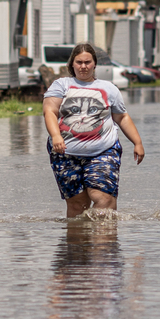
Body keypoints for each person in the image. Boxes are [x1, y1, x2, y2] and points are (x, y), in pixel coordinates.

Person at [43, 43, 145, 218]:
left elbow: (122, 117)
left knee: (103, 198)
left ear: (94, 64)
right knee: (77, 205)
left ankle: (103, 244)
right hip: (66, 152)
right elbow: (49, 111)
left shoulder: (109, 88)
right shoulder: (61, 85)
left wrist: (137, 142)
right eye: (79, 62)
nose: (83, 66)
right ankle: (78, 244)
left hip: (103, 150)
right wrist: (55, 135)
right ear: (72, 64)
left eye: (87, 62)